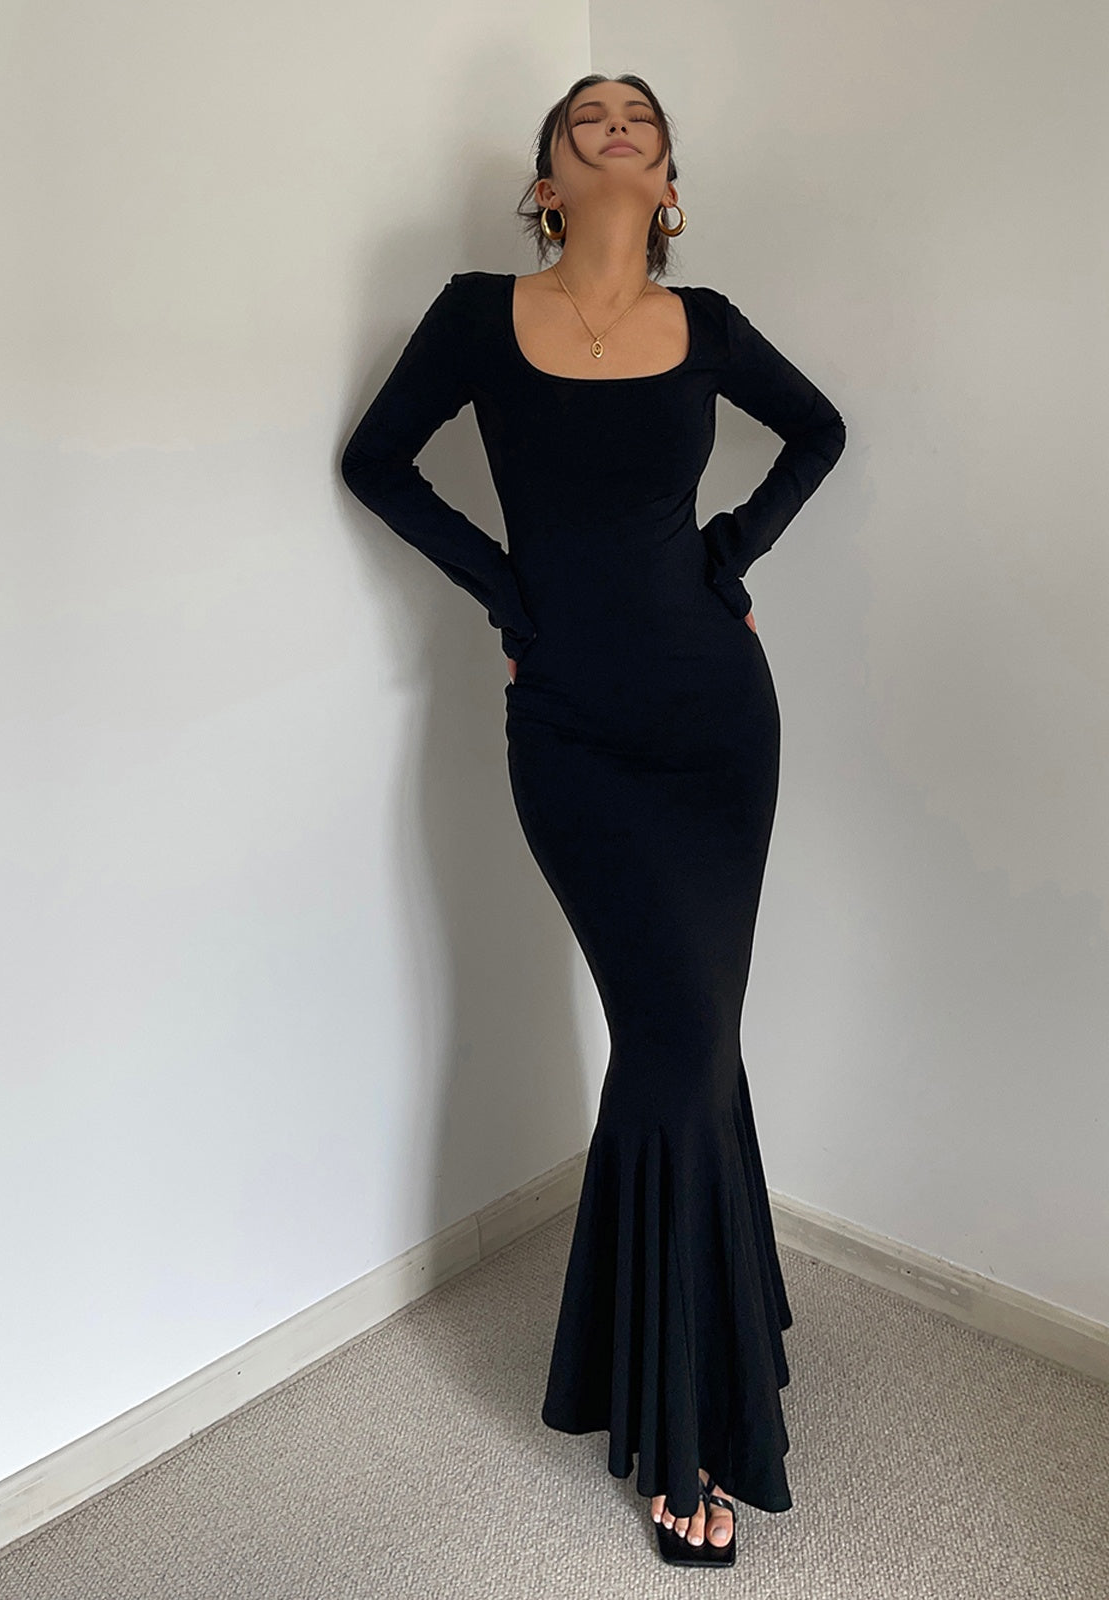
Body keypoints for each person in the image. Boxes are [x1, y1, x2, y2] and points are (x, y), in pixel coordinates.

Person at [340, 71, 846, 1568]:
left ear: (668, 185)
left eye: (643, 119)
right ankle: (689, 1407)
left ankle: (700, 1365)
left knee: (689, 1040)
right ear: (547, 183)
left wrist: (730, 556)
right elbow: (375, 463)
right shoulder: (476, 316)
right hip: (569, 729)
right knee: (678, 1041)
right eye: (589, 118)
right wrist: (509, 596)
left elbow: (818, 433)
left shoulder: (711, 327)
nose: (618, 124)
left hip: (719, 727)